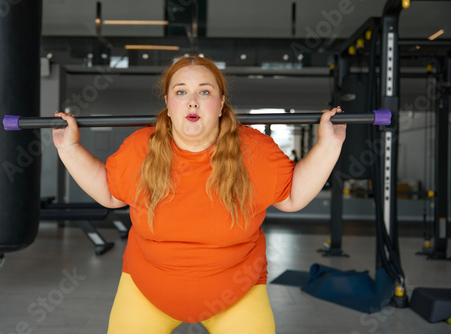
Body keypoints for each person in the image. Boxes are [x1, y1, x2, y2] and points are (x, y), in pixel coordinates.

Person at [52, 55, 346, 334]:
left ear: (220, 105)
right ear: (168, 104)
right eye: (181, 92)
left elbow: (293, 196)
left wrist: (329, 145)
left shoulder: (254, 151)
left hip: (236, 293)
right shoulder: (140, 148)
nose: (192, 101)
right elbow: (109, 193)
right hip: (146, 289)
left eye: (205, 92)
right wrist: (69, 148)